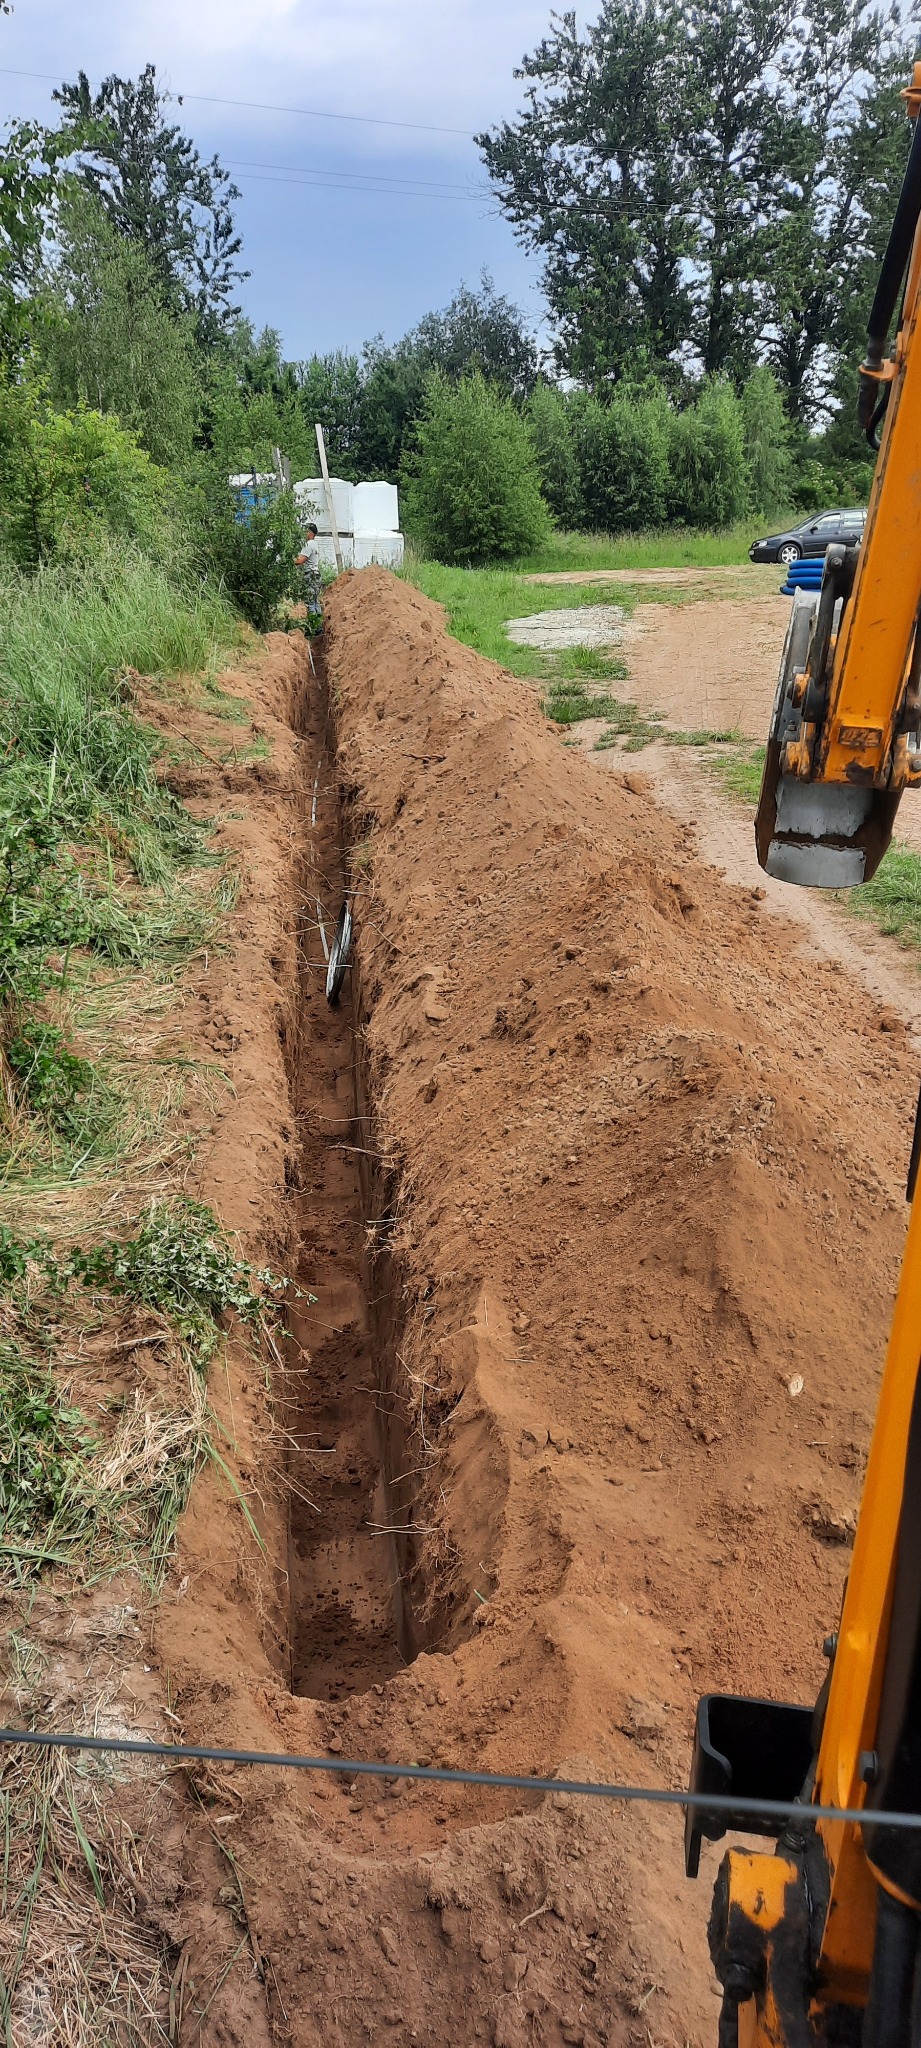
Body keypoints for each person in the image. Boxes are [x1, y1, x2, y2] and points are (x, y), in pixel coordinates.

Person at [296, 524, 323, 625]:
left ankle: (314, 627)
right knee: (316, 602)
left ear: (310, 533)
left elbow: (300, 561)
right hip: (316, 574)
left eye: (305, 531)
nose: (304, 533)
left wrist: (288, 560)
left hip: (310, 575)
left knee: (310, 602)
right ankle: (319, 627)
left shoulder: (308, 544)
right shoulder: (315, 544)